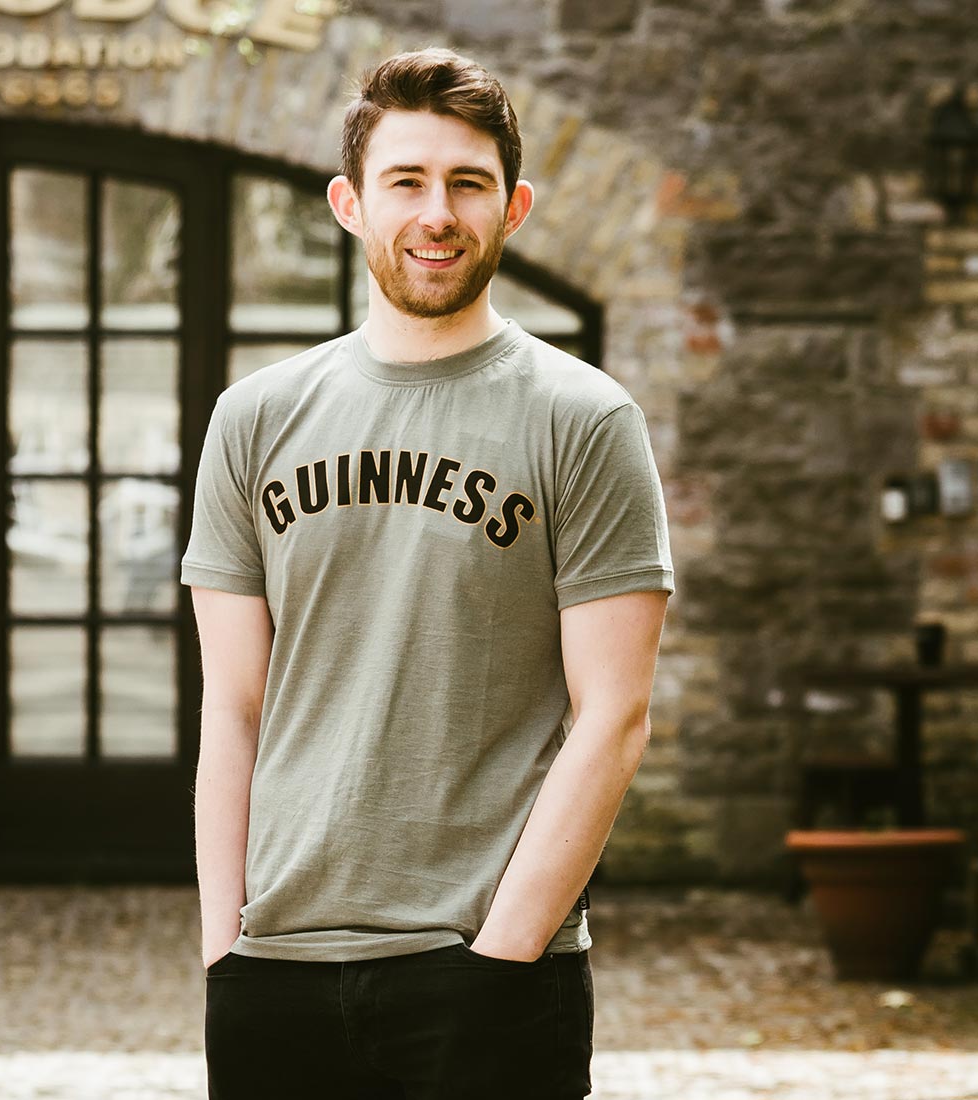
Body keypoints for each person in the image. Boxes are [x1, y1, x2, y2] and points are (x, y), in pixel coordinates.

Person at [180, 46, 674, 1100]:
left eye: (467, 183)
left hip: (486, 968)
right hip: (277, 970)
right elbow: (232, 705)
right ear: (350, 203)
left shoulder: (582, 420)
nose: (435, 213)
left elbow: (614, 713)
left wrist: (503, 956)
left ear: (515, 206)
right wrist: (224, 948)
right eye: (405, 181)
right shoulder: (254, 418)